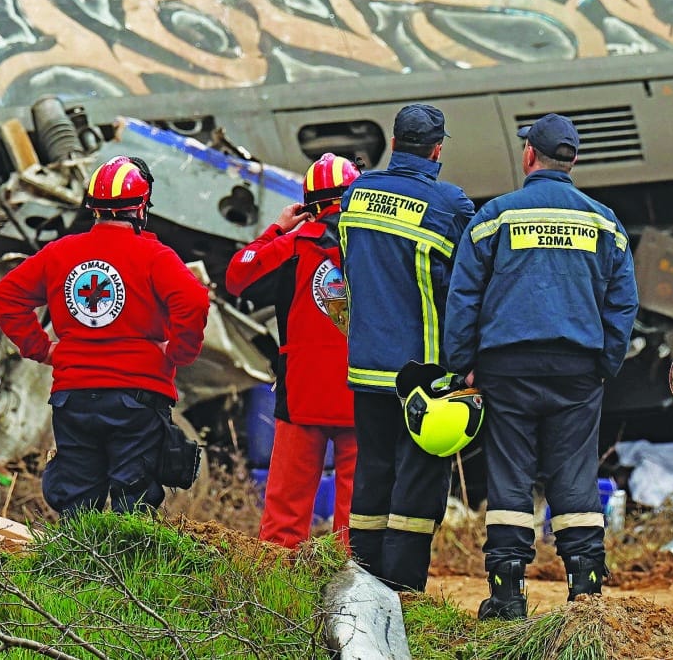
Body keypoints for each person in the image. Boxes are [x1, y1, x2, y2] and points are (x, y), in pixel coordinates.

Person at [442, 114, 639, 619]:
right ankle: (586, 592)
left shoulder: (493, 218)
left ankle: (507, 594)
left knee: (510, 476)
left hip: (506, 368)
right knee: (574, 475)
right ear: (572, 160)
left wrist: (464, 363)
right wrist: (605, 362)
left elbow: (464, 298)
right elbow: (623, 303)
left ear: (530, 156)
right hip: (577, 368)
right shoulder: (604, 222)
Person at [0, 158, 210, 518]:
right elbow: (194, 299)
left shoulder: (60, 253)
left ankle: (78, 570)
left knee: (77, 503)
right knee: (134, 502)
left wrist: (42, 349)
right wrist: (179, 352)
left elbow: (6, 297)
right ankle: (128, 572)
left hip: (73, 398)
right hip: (137, 398)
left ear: (92, 207)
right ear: (142, 206)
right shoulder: (155, 256)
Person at [334, 104, 474, 593]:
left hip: (366, 367)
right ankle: (403, 590)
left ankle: (363, 581)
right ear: (437, 149)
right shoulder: (449, 204)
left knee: (371, 472)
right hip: (422, 375)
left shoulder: (356, 194)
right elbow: (466, 286)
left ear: (394, 143)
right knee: (418, 479)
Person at [225, 153, 360, 551]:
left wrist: (275, 230)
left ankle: (277, 600)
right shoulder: (376, 244)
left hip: (303, 394)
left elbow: (238, 276)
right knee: (357, 521)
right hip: (362, 392)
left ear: (309, 204)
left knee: (285, 519)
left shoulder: (294, 245)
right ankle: (355, 600)